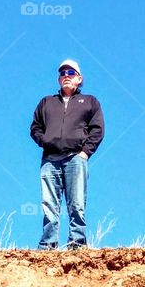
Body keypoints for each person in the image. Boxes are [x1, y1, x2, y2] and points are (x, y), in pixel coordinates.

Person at [29, 58, 105, 250]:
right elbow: (35, 127)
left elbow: (98, 129)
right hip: (50, 160)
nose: (66, 76)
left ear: (79, 79)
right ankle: (48, 245)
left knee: (76, 204)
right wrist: (45, 141)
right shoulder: (47, 102)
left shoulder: (89, 102)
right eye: (62, 73)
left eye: (71, 73)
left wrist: (85, 153)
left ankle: (77, 244)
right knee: (49, 205)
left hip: (75, 159)